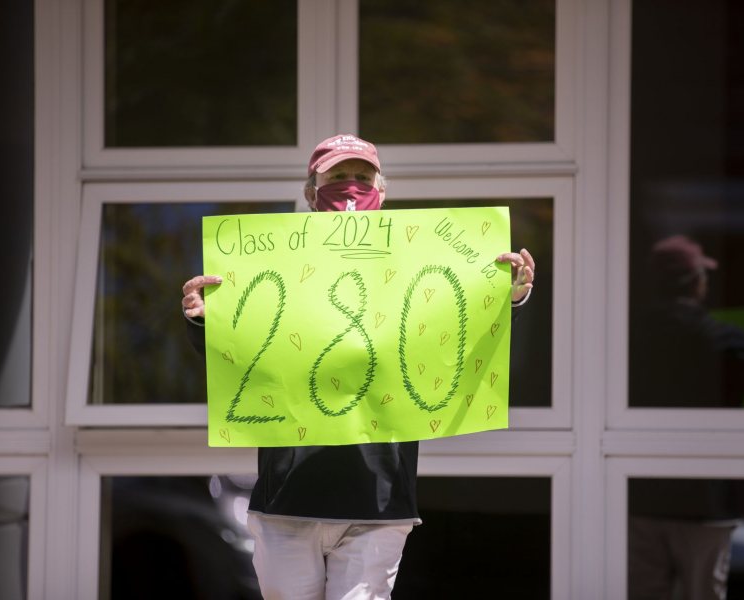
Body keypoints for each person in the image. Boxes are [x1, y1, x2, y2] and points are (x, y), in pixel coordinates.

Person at [181, 134, 536, 600]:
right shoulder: (274, 263)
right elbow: (244, 354)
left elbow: (457, 334)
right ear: (311, 193)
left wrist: (507, 298)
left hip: (378, 500)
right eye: (337, 177)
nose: (350, 187)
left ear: (381, 191)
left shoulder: (416, 262)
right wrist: (202, 320)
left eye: (361, 178)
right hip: (288, 501)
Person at [627, 235, 744, 600]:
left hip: (639, 494)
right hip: (704, 502)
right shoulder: (719, 339)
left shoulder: (626, 336)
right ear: (697, 281)